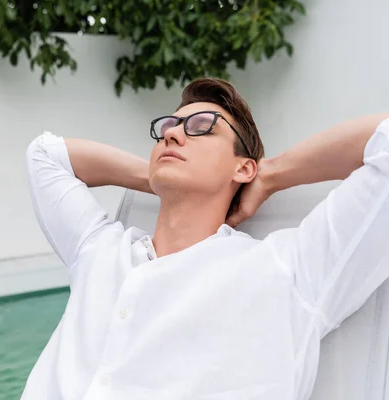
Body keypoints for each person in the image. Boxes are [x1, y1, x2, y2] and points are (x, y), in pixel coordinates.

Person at [22, 78, 389, 400]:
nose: (172, 134)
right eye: (169, 127)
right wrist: (157, 175)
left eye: (202, 127)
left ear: (243, 167)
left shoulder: (288, 272)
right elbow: (44, 154)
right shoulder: (100, 249)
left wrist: (270, 174)